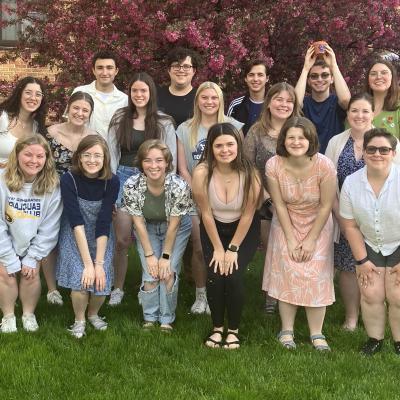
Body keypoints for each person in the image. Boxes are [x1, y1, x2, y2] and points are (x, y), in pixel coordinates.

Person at [325, 93, 400, 331]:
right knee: (349, 267)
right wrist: (341, 218)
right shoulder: (337, 142)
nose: (359, 115)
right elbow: (328, 181)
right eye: (354, 110)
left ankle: (388, 317)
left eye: (365, 111)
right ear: (347, 114)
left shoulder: (388, 141)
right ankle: (352, 316)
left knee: (385, 271)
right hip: (345, 215)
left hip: (386, 219)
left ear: (373, 114)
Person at [263, 116, 336, 351]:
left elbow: (326, 205)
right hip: (286, 221)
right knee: (288, 270)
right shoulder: (273, 165)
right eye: (291, 137)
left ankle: (317, 333)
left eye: (301, 137)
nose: (296, 142)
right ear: (283, 140)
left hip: (318, 222)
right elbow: (279, 205)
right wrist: (292, 239)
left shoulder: (324, 165)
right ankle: (287, 330)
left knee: (315, 274)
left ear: (311, 139)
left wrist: (311, 239)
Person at [107, 72, 177, 306]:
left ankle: (155, 281)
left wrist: (168, 188)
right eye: (134, 91)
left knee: (157, 234)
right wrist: (111, 187)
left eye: (143, 91)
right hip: (124, 179)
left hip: (154, 179)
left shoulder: (163, 121)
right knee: (122, 238)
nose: (139, 95)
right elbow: (111, 155)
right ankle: (118, 287)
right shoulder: (120, 118)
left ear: (151, 93)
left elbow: (170, 159)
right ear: (130, 94)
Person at [192, 122, 261, 349]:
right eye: (219, 145)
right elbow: (205, 213)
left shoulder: (251, 174)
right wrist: (218, 249)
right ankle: (216, 328)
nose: (225, 150)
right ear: (211, 148)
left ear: (238, 146)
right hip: (213, 228)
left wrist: (232, 249)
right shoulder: (202, 172)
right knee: (215, 273)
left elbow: (249, 214)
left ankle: (233, 330)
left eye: (230, 144)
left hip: (243, 229)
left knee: (232, 274)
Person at [177, 81, 243, 314]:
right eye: (204, 98)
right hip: (197, 196)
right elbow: (183, 168)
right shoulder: (185, 129)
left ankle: (224, 290)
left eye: (214, 98)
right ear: (197, 101)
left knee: (224, 248)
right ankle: (201, 293)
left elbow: (240, 162)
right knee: (199, 247)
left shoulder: (233, 126)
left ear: (221, 100)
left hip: (227, 197)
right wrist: (197, 190)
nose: (209, 102)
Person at [340, 128, 400, 355]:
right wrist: (362, 260)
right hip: (369, 243)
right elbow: (350, 225)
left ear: (393, 153)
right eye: (371, 149)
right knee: (371, 293)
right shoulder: (351, 183)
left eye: (384, 149)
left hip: (398, 243)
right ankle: (374, 339)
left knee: (397, 295)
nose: (377, 154)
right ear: (364, 153)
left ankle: (399, 342)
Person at [122, 140, 192, 330]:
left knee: (167, 272)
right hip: (148, 226)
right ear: (141, 163)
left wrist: (166, 257)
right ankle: (150, 318)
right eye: (148, 160)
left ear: (167, 163)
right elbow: (137, 222)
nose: (154, 166)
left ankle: (166, 319)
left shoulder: (178, 185)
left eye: (159, 160)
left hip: (176, 227)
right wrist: (150, 255)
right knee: (151, 273)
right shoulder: (131, 185)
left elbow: (175, 224)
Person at [244, 82, 301, 313]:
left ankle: (296, 293)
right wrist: (268, 198)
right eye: (279, 99)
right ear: (269, 103)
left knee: (294, 249)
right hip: (264, 200)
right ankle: (271, 297)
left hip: (297, 200)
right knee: (272, 248)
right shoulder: (256, 131)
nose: (284, 104)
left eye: (289, 101)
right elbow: (248, 167)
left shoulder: (300, 129)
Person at [56, 135, 119, 338]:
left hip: (101, 233)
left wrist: (98, 264)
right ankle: (79, 319)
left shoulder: (112, 181)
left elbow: (103, 221)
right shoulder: (69, 179)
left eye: (97, 156)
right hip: (75, 232)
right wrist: (87, 263)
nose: (92, 160)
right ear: (79, 158)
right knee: (81, 279)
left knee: (101, 282)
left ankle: (93, 314)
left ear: (105, 159)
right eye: (87, 155)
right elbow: (75, 221)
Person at [0, 135, 62, 333]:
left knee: (31, 273)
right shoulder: (2, 180)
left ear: (46, 159)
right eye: (28, 154)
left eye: (39, 156)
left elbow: (50, 227)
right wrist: (8, 256)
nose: (33, 161)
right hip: (6, 237)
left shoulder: (52, 185)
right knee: (5, 272)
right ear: (17, 155)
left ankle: (28, 314)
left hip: (33, 240)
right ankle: (8, 315)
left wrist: (33, 256)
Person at [42, 92, 97, 306]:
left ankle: (79, 277)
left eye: (85, 110)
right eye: (76, 108)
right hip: (51, 192)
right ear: (68, 108)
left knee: (78, 236)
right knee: (49, 239)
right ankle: (52, 288)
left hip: (80, 195)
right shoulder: (50, 133)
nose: (80, 113)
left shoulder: (93, 137)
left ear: (90, 114)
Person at [295, 44, 351, 153]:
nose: (319, 79)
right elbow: (294, 103)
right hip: (307, 160)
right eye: (314, 76)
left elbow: (346, 101)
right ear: (309, 81)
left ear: (332, 79)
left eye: (325, 75)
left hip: (333, 159)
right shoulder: (305, 103)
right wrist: (306, 69)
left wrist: (334, 65)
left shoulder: (336, 102)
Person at [71, 51, 128, 141]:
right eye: (100, 68)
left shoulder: (124, 100)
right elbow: (69, 123)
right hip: (83, 152)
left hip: (112, 154)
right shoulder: (80, 92)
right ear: (93, 70)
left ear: (116, 71)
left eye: (109, 68)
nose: (104, 72)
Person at [0, 76, 47, 167]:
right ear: (19, 94)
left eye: (38, 94)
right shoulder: (2, 117)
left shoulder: (37, 127)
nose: (33, 98)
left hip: (22, 179)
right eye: (28, 93)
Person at [157, 47, 201, 127]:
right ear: (169, 70)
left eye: (186, 66)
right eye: (176, 66)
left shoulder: (201, 97)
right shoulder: (156, 95)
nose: (181, 70)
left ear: (194, 71)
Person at [227, 59, 269, 135]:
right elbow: (228, 134)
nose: (255, 79)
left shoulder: (273, 105)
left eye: (260, 75)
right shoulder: (235, 105)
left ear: (267, 78)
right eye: (251, 75)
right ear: (246, 78)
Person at [365, 58, 400, 138]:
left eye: (384, 73)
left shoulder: (398, 109)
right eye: (373, 74)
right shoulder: (357, 109)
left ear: (392, 78)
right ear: (368, 80)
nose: (378, 77)